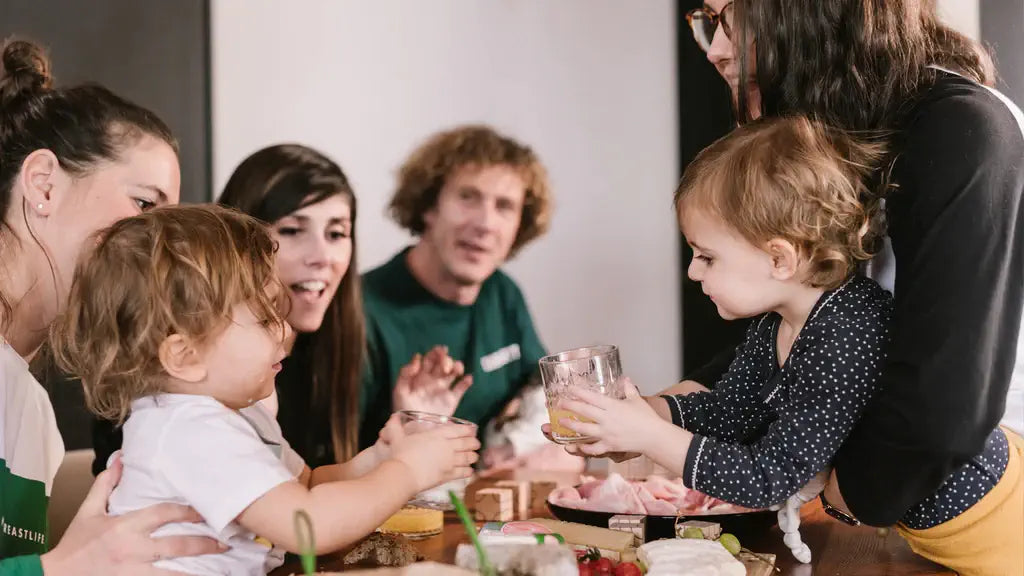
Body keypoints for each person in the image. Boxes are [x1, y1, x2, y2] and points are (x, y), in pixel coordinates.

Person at [558, 116, 1021, 571]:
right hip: (942, 537)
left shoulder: (845, 333)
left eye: (707, 256)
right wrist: (646, 412)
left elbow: (767, 478)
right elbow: (733, 411)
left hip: (998, 530)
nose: (694, 272)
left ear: (779, 258)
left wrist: (648, 436)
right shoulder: (780, 322)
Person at [674, 2, 1023, 573]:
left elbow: (944, 402)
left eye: (728, 16)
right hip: (914, 507)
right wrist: (673, 406)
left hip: (986, 501)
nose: (714, 48)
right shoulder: (845, 130)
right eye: (704, 20)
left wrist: (847, 495)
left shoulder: (962, 130)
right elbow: (812, 324)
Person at [52, 204, 479, 575]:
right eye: (263, 318)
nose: (285, 329)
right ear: (184, 356)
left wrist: (379, 459)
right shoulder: (189, 430)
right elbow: (310, 525)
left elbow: (306, 486)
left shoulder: (234, 412)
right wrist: (407, 472)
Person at [0, 38, 231, 575]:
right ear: (44, 184)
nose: (160, 246)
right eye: (144, 206)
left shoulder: (31, 411)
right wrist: (62, 567)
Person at [359, 124, 578, 471]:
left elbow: (541, 397)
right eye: (468, 197)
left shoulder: (502, 293)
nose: (485, 223)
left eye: (504, 206)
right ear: (429, 206)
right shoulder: (362, 309)